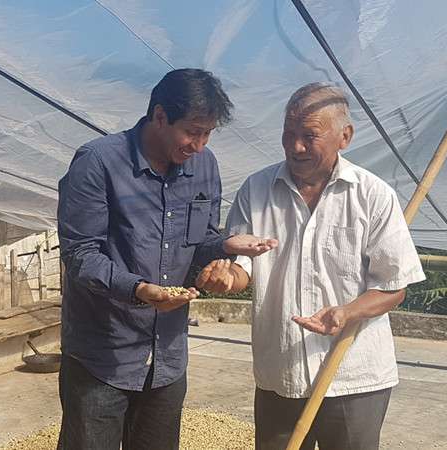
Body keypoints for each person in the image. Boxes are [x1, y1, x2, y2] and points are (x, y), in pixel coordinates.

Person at [56, 68, 277, 450]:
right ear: (160, 116)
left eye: (208, 134)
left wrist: (226, 246)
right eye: (192, 131)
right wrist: (139, 290)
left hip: (167, 358)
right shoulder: (98, 162)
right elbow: (81, 255)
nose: (199, 145)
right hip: (103, 357)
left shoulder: (204, 166)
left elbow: (199, 240)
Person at [197, 83, 426, 450]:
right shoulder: (256, 190)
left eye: (309, 136)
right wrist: (227, 278)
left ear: (344, 137)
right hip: (280, 373)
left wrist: (348, 312)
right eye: (289, 134)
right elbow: (243, 268)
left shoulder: (372, 195)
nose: (296, 146)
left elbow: (393, 286)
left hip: (353, 376)